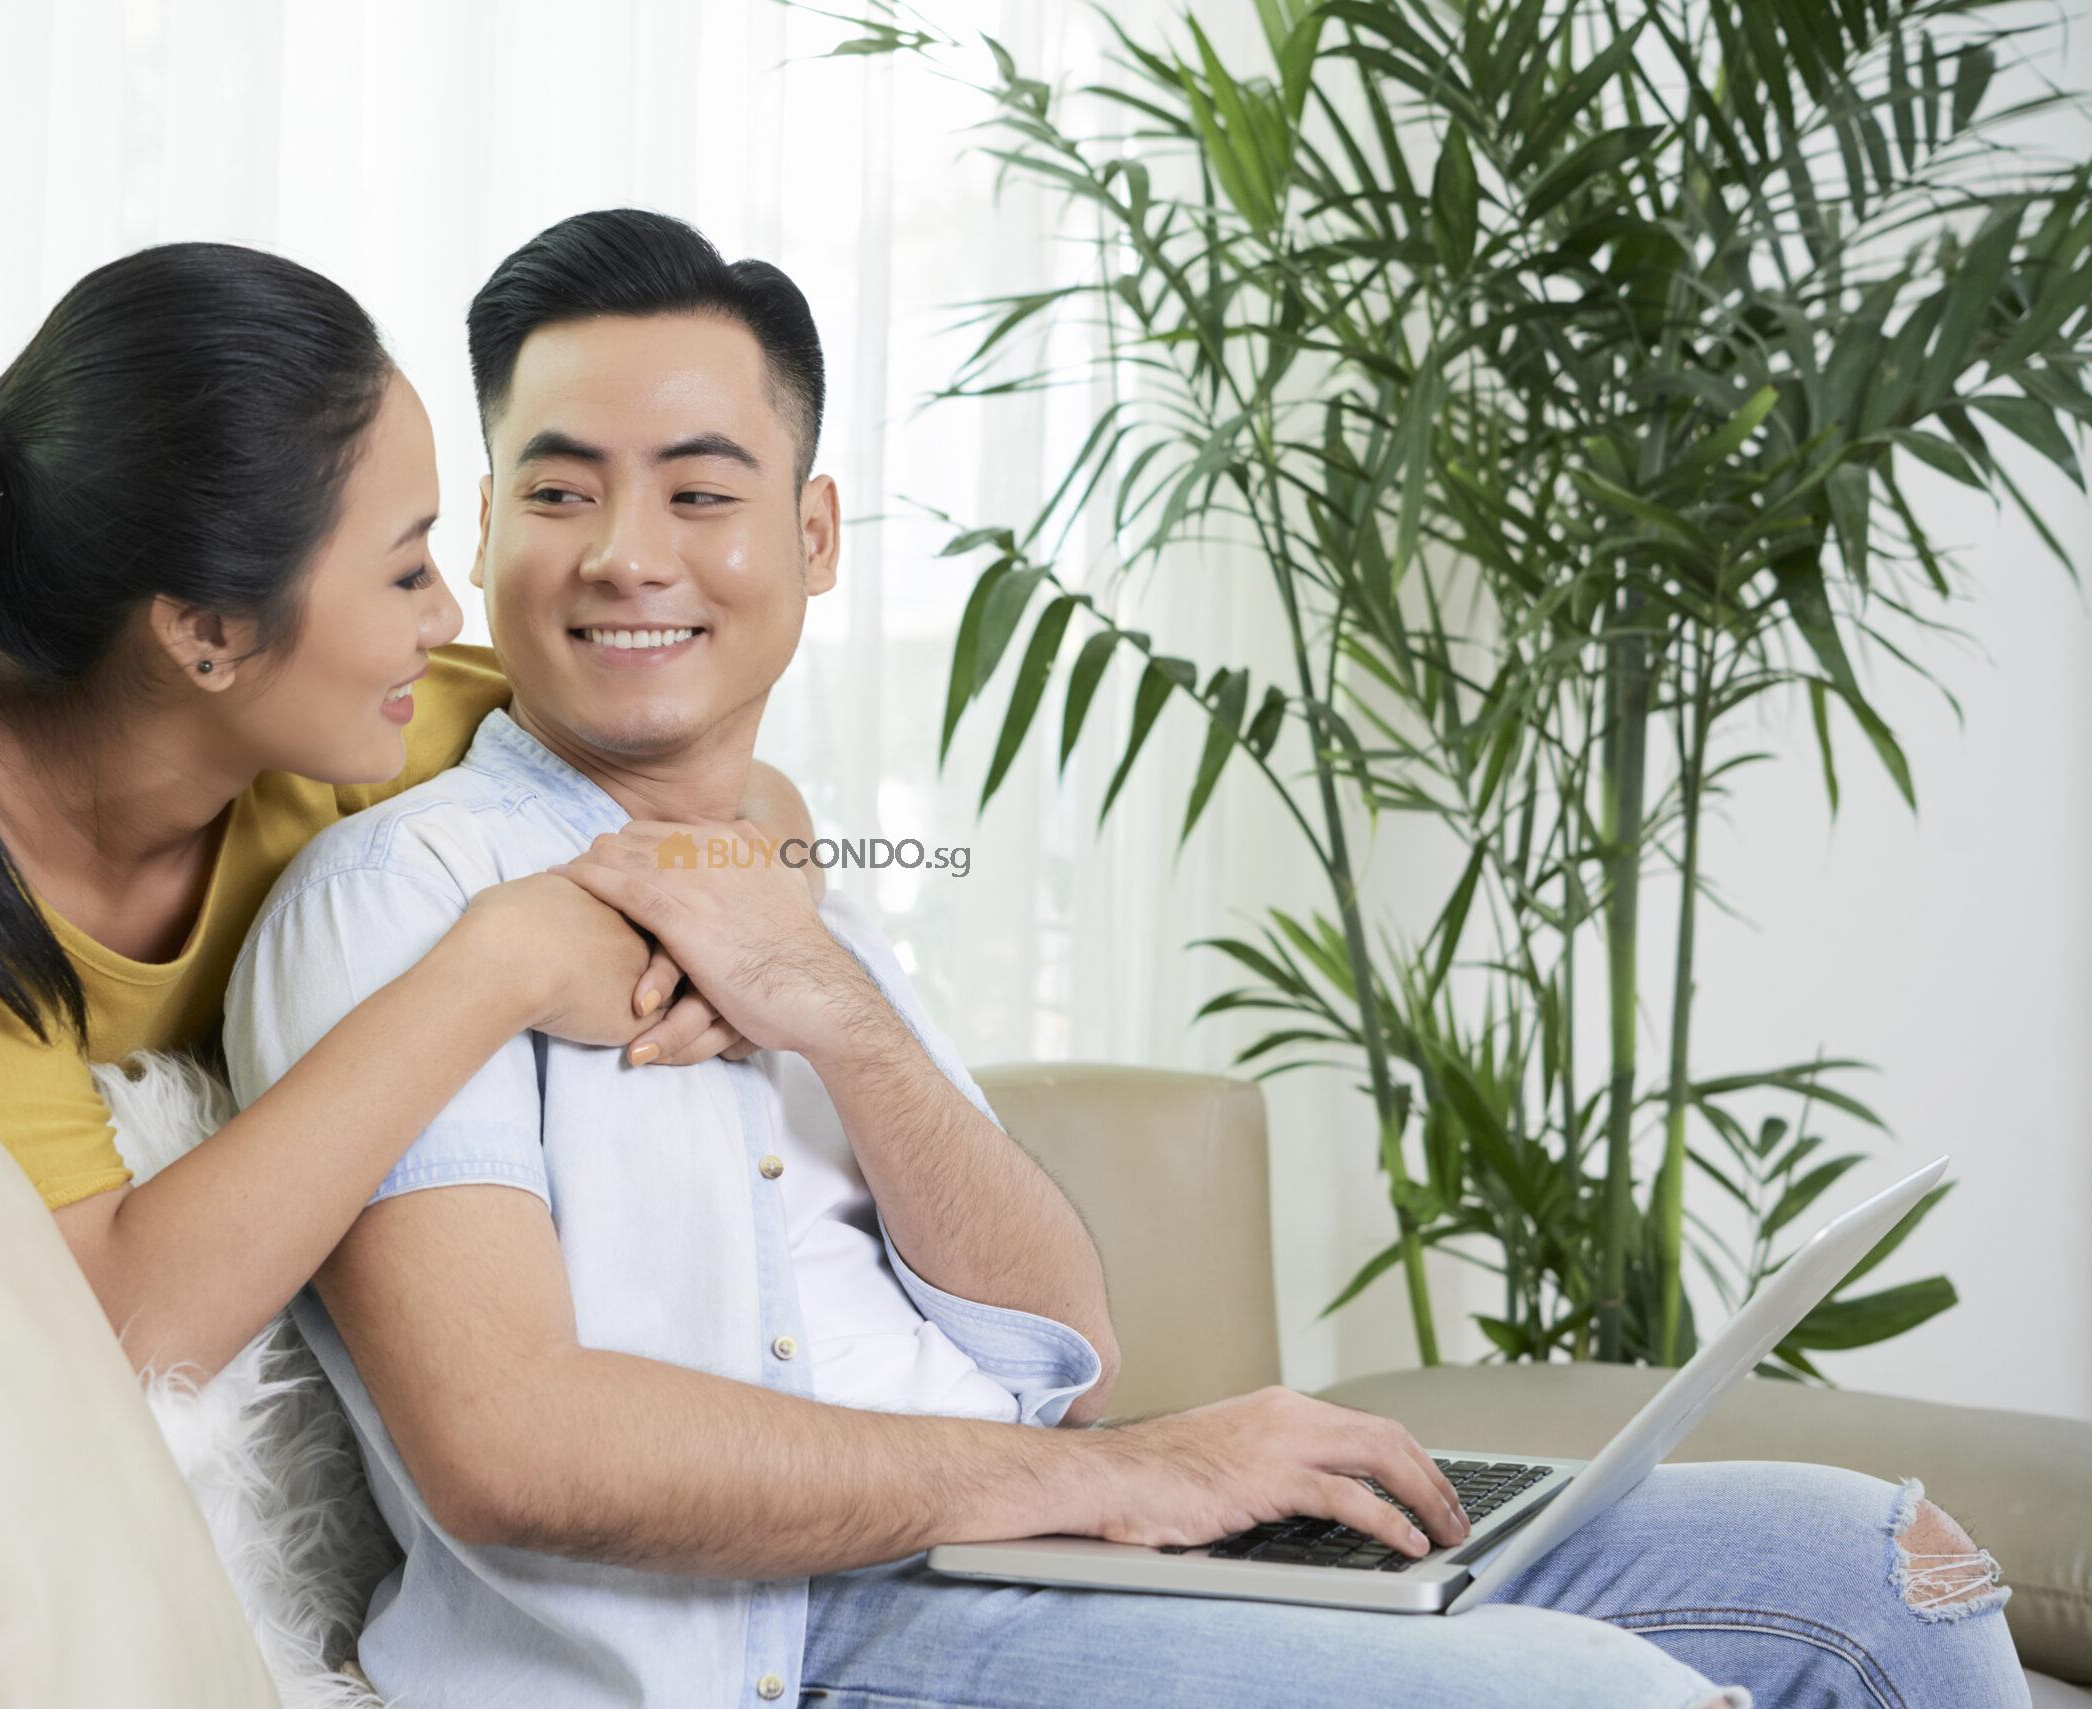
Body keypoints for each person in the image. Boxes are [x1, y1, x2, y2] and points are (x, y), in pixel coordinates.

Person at [222, 209, 2030, 1709]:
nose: (628, 557)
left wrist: (838, 1009)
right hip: (793, 1640)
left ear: (812, 535)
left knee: (1889, 1569)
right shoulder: (415, 896)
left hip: (1029, 1537)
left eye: (701, 492)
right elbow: (508, 1447)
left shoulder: (789, 875)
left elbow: (1066, 1341)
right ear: (482, 531)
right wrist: (1115, 1480)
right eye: (559, 493)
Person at [0, 239, 818, 1382]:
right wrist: (499, 965)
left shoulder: (339, 723)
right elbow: (116, 1327)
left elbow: (704, 771)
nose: (446, 614)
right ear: (206, 632)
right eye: (405, 566)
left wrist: (764, 891)